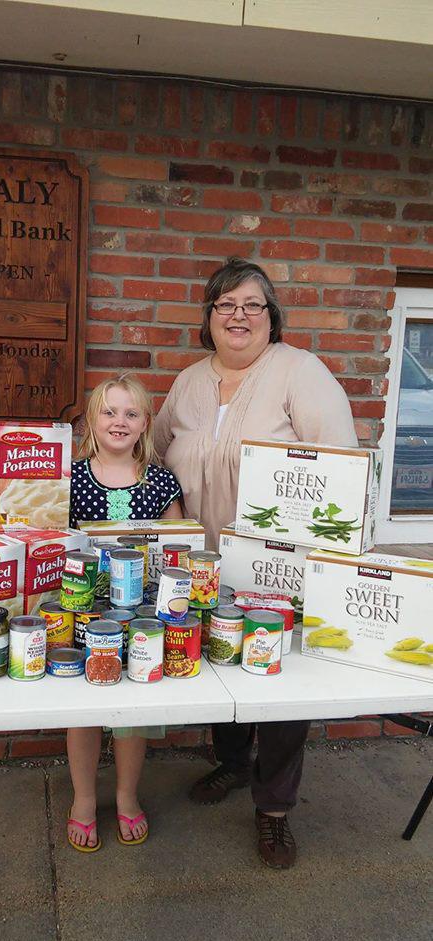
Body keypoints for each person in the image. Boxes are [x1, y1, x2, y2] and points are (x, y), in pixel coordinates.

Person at [155, 257, 357, 869]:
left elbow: (340, 467)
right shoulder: (188, 382)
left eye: (252, 305)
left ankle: (274, 811)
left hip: (280, 570)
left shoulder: (302, 373)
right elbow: (156, 454)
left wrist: (329, 557)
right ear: (209, 318)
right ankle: (233, 762)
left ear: (271, 318)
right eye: (225, 305)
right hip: (203, 565)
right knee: (222, 662)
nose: (238, 316)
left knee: (279, 685)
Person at [67, 373, 182, 852]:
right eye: (110, 411)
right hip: (81, 613)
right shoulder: (70, 478)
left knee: (132, 710)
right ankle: (84, 799)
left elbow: (180, 547)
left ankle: (127, 794)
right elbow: (51, 542)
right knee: (85, 708)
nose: (119, 421)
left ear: (145, 424)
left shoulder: (160, 481)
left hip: (142, 617)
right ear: (93, 419)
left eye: (131, 413)